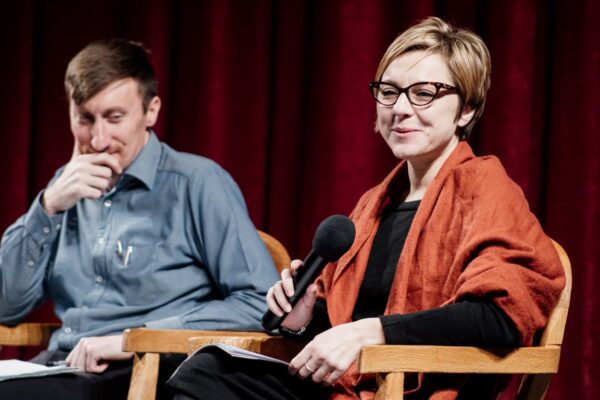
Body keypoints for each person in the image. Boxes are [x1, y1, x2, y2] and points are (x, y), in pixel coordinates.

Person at [166, 16, 566, 400]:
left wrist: (373, 332)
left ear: (466, 109)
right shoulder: (374, 204)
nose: (400, 108)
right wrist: (303, 319)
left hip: (415, 391)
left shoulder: (485, 189)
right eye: (389, 92)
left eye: (423, 93)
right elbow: (342, 331)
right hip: (346, 389)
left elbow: (498, 316)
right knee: (206, 372)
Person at [0, 38, 278, 399]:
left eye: (115, 118)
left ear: (151, 111)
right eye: (85, 119)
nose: (98, 140)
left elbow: (259, 303)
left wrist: (135, 338)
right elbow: (6, 306)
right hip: (64, 366)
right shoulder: (63, 188)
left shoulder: (197, 182)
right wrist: (48, 207)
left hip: (145, 370)